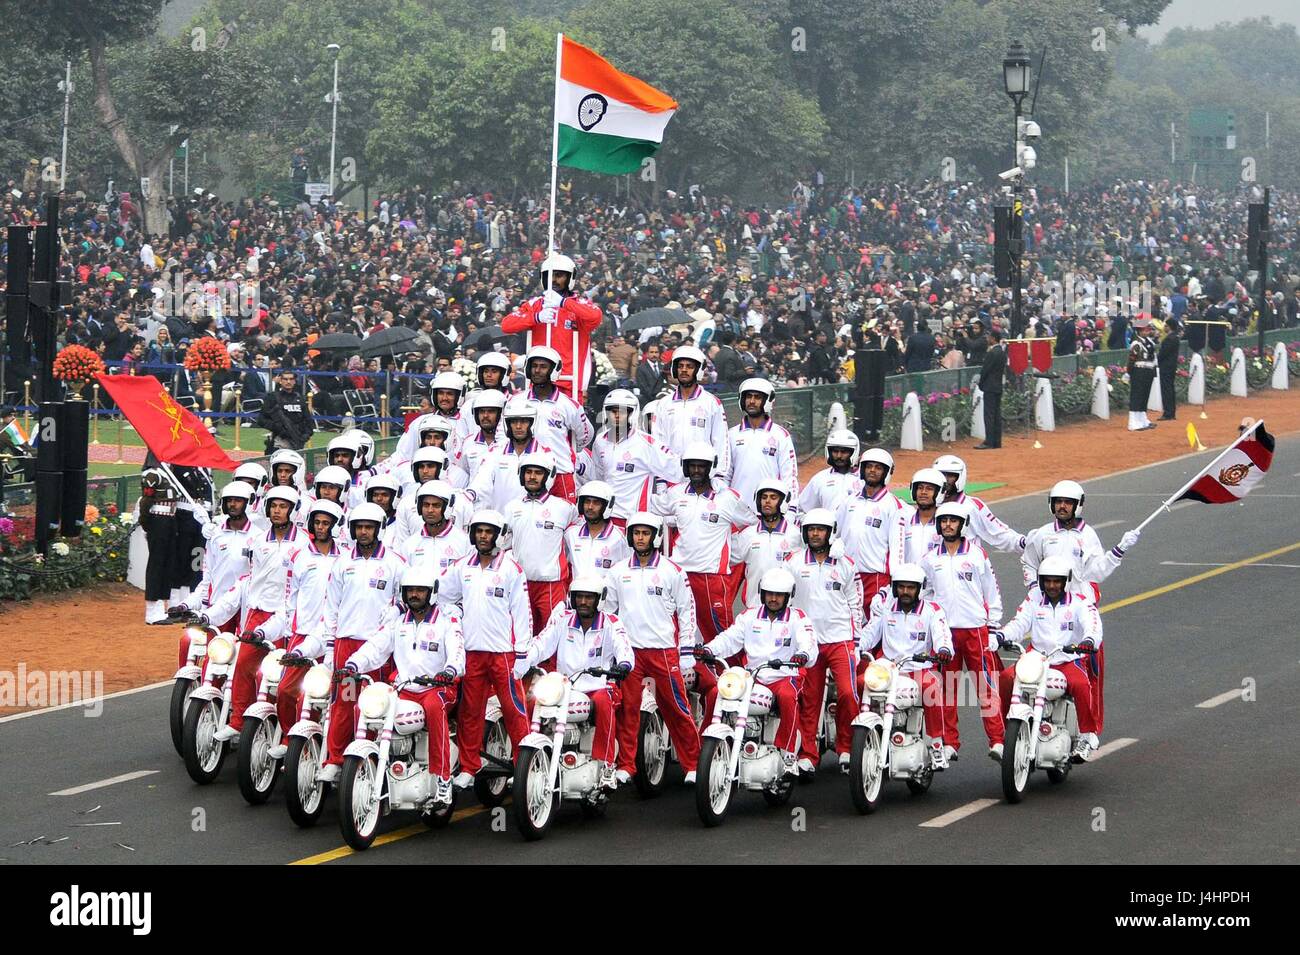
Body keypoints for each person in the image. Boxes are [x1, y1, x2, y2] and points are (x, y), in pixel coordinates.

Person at [339, 565, 465, 807]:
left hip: (438, 688)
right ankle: (364, 766)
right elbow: (376, 647)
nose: (414, 595)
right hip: (403, 688)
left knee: (434, 706)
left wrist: (449, 670)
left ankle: (443, 780)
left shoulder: (446, 621)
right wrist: (353, 664)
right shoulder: (398, 623)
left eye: (420, 590)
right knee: (366, 706)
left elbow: (458, 651)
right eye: (410, 591)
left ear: (432, 593)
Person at [1021, 479, 1139, 735]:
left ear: (1078, 506)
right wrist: (1033, 588)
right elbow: (1028, 562)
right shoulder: (1042, 535)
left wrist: (1117, 552)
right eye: (1058, 502)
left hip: (1079, 612)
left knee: (1089, 676)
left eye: (1068, 503)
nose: (1062, 507)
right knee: (1032, 670)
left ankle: (1089, 733)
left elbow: (1097, 571)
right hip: (1048, 610)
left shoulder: (1088, 536)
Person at [436, 509, 532, 788]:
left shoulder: (511, 569)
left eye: (488, 532)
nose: (483, 536)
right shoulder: (462, 566)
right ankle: (468, 766)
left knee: (514, 710)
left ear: (498, 535)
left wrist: (523, 651)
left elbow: (522, 611)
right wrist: (453, 612)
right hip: (472, 652)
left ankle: (522, 765)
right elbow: (440, 592)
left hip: (503, 653)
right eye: (479, 531)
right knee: (470, 712)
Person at [606, 512, 704, 786]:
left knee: (676, 707)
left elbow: (688, 612)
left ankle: (693, 764)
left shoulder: (672, 571)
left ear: (656, 536)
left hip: (663, 651)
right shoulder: (618, 571)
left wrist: (685, 651)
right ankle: (626, 764)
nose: (640, 538)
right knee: (629, 709)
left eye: (645, 533)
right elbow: (608, 614)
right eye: (636, 533)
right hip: (630, 653)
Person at [194, 487, 302, 734]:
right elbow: (247, 582)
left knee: (280, 679)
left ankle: (287, 733)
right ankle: (239, 721)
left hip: (290, 618)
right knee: (242, 665)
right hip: (258, 614)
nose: (277, 511)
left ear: (293, 510)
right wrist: (207, 613)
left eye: (283, 506)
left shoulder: (303, 544)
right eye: (273, 506)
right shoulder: (259, 541)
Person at [696, 567, 816, 779]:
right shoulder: (748, 616)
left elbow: (809, 643)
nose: (773, 599)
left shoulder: (798, 618)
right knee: (717, 692)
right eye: (769, 594)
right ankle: (704, 747)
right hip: (752, 676)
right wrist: (709, 649)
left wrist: (803, 655)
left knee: (789, 697)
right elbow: (729, 638)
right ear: (762, 594)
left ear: (788, 596)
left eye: (779, 595)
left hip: (784, 675)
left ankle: (788, 754)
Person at [516, 575, 633, 790]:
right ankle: (527, 763)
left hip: (598, 685)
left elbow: (624, 647)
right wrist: (523, 661)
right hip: (564, 688)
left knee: (605, 702)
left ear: (599, 599)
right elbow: (542, 643)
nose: (583, 602)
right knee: (533, 701)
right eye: (579, 597)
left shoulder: (612, 623)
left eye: (589, 597)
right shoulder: (563, 620)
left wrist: (623, 664)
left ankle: (606, 765)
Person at [317, 502, 407, 782]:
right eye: (359, 527)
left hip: (379, 648)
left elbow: (409, 601)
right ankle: (335, 759)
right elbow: (331, 607)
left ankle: (369, 761)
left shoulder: (395, 563)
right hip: (347, 643)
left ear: (378, 529)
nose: (364, 532)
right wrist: (331, 647)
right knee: (344, 704)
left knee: (374, 705)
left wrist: (396, 610)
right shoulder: (342, 563)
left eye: (369, 527)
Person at [995, 556, 1102, 762]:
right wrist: (1002, 636)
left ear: (1066, 581)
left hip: (1068, 659)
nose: (1051, 585)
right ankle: (1006, 732)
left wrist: (1089, 640)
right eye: (1047, 581)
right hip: (1037, 660)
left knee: (1080, 684)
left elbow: (1093, 625)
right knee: (1007, 678)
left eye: (1056, 581)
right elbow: (1019, 623)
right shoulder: (1034, 599)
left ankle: (1087, 736)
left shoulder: (1080, 602)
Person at [921, 501, 1004, 763]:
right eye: (943, 521)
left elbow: (992, 591)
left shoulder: (977, 555)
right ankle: (949, 743)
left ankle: (998, 740)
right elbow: (925, 593)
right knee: (944, 690)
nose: (947, 525)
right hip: (945, 634)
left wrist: (993, 627)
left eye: (953, 521)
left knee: (986, 688)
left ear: (962, 525)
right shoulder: (929, 558)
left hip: (976, 631)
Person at [784, 509, 864, 777]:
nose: (815, 534)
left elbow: (855, 604)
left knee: (848, 694)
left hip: (840, 639)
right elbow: (786, 602)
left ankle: (846, 748)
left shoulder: (846, 564)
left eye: (820, 530)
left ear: (830, 532)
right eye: (810, 530)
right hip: (809, 643)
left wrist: (857, 640)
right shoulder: (792, 562)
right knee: (809, 700)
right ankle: (808, 755)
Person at [648, 441, 748, 645]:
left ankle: (733, 676)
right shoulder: (676, 493)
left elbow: (751, 524)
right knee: (679, 631)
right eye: (691, 465)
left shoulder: (728, 497)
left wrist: (733, 555)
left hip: (711, 576)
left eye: (701, 465)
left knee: (721, 634)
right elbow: (653, 507)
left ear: (711, 467)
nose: (695, 470)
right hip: (680, 573)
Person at [858, 563, 954, 770]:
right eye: (901, 587)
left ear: (919, 589)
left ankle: (937, 744)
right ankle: (858, 740)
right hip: (888, 670)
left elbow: (943, 634)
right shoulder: (886, 610)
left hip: (920, 668)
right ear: (894, 588)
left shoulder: (932, 611)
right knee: (859, 684)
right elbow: (869, 633)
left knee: (932, 688)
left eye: (910, 587)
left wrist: (944, 649)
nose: (905, 592)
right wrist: (856, 648)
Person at [265, 499, 346, 743]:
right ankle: (292, 740)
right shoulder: (298, 555)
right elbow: (291, 596)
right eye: (317, 522)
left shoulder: (344, 558)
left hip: (332, 637)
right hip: (303, 634)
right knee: (286, 691)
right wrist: (291, 631)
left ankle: (325, 745)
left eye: (326, 523)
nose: (321, 528)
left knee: (327, 696)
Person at [501, 252, 603, 401]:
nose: (553, 280)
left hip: (570, 382)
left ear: (570, 278)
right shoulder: (535, 304)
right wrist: (536, 317)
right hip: (538, 382)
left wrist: (563, 303)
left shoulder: (579, 304)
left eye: (559, 275)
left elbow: (595, 316)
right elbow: (506, 325)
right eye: (549, 276)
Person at [503, 452, 578, 645]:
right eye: (528, 472)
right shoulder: (511, 508)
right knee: (523, 638)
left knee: (552, 638)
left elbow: (576, 546)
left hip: (551, 585)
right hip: (522, 584)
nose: (532, 477)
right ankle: (528, 676)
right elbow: (502, 545)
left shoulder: (564, 508)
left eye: (538, 473)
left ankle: (553, 675)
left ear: (548, 476)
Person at [588, 388, 681, 524]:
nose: (617, 415)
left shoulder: (647, 443)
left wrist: (660, 502)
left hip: (635, 521)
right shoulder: (599, 441)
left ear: (633, 413)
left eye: (623, 411)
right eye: (613, 411)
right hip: (605, 517)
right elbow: (598, 477)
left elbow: (678, 472)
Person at [834, 447, 906, 619]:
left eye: (878, 467)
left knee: (874, 626)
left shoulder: (893, 506)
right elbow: (835, 532)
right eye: (869, 466)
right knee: (848, 622)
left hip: (875, 578)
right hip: (847, 574)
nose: (872, 470)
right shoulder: (849, 501)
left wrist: (894, 582)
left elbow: (898, 547)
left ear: (887, 472)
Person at [519, 344, 594, 500]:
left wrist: (571, 451)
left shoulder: (568, 405)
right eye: (534, 366)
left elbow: (586, 434)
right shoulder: (516, 401)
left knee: (566, 520)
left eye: (543, 367)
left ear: (554, 370)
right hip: (528, 473)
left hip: (561, 472)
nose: (537, 371)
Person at [466, 398, 561, 513]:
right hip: (499, 523)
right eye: (514, 421)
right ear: (507, 424)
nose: (518, 426)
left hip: (529, 520)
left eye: (524, 421)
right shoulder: (495, 452)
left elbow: (543, 489)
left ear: (533, 423)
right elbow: (481, 483)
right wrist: (468, 495)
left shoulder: (545, 455)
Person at [725, 377, 799, 519]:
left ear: (768, 401)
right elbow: (725, 474)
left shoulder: (780, 435)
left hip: (769, 513)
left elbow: (789, 476)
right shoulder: (731, 435)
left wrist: (791, 509)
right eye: (748, 396)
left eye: (757, 397)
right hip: (735, 514)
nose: (752, 401)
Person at [651, 345, 730, 475]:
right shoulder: (664, 404)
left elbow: (721, 442)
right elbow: (658, 442)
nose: (684, 370)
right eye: (680, 366)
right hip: (671, 478)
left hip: (703, 476)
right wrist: (660, 479)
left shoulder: (711, 402)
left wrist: (720, 476)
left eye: (689, 366)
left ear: (698, 370)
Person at [731, 480, 802, 610]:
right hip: (754, 608)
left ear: (783, 502)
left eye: (773, 497)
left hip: (788, 610)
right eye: (763, 497)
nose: (767, 501)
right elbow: (722, 560)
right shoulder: (747, 535)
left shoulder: (796, 535)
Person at [932, 454, 1022, 553]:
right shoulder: (927, 507)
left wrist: (1025, 543)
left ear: (960, 477)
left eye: (950, 475)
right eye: (941, 475)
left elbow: (999, 534)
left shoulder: (972, 506)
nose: (945, 480)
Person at [399, 480, 471, 573]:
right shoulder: (409, 545)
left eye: (436, 505)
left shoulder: (464, 542)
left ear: (447, 507)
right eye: (426, 505)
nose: (430, 510)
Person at [563, 480, 629, 580]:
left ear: (606, 506)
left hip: (606, 595)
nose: (590, 507)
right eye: (587, 502)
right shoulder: (571, 534)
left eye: (596, 503)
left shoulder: (620, 537)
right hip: (578, 593)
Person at [798, 429, 862, 514]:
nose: (839, 456)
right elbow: (803, 509)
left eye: (844, 452)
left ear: (854, 452)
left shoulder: (864, 479)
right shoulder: (820, 479)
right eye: (835, 451)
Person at [256, 370, 313, 451]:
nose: (288, 382)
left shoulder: (300, 398)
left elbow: (308, 421)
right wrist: (277, 428)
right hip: (279, 440)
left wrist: (306, 434)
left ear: (294, 381)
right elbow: (261, 420)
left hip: (298, 440)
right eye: (285, 379)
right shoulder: (272, 397)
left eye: (291, 379)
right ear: (280, 381)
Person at [899, 468, 945, 565]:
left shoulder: (946, 523)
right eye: (920, 488)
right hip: (908, 578)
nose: (923, 492)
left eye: (929, 489)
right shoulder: (903, 519)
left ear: (939, 492)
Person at [974, 328, 1005, 449]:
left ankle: (989, 441)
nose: (987, 339)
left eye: (989, 337)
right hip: (997, 386)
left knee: (989, 415)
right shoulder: (1001, 352)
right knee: (997, 414)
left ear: (993, 338)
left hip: (990, 387)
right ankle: (997, 441)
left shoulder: (992, 353)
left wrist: (981, 383)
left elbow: (985, 370)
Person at [1127, 316, 1158, 431]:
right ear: (1139, 331)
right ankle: (1133, 422)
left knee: (1144, 396)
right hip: (1138, 371)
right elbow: (1131, 360)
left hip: (1148, 371)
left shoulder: (1150, 342)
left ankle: (1142, 420)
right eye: (1145, 330)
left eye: (1148, 330)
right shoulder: (1136, 343)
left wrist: (1154, 372)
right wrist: (1129, 373)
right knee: (1137, 396)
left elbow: (1153, 358)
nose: (1147, 332)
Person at [1157, 319, 1180, 420]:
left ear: (1169, 327)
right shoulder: (1174, 337)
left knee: (1166, 389)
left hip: (1166, 367)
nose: (1164, 328)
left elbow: (1163, 354)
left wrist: (1156, 359)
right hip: (1170, 366)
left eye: (1166, 326)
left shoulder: (1170, 339)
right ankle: (1171, 412)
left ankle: (1168, 413)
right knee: (1169, 389)